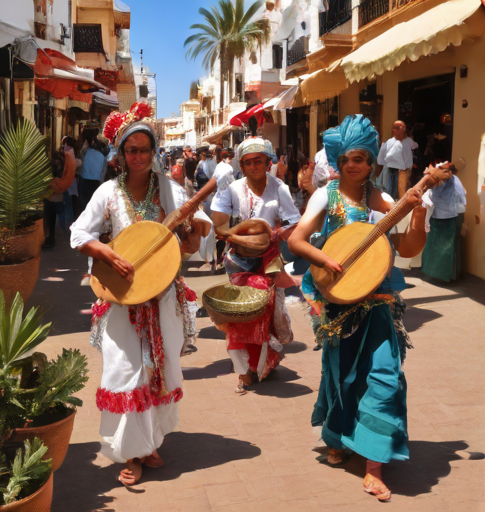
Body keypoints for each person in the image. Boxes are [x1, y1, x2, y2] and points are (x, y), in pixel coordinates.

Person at [288, 114, 445, 502]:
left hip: (379, 306)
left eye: (361, 158)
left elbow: (407, 250)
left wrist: (420, 211)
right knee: (341, 377)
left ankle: (374, 466)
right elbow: (296, 240)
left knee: (384, 378)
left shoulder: (383, 200)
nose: (354, 165)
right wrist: (324, 260)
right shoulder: (326, 195)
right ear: (338, 163)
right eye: (347, 160)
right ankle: (339, 437)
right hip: (340, 304)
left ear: (372, 161)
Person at [70, 101, 208, 486]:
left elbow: (197, 234)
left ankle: (147, 443)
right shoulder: (108, 194)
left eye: (145, 149)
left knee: (157, 370)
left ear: (154, 152)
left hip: (162, 297)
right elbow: (78, 234)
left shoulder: (169, 190)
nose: (139, 156)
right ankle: (129, 452)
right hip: (121, 301)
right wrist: (106, 251)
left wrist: (193, 232)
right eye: (131, 150)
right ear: (120, 154)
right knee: (125, 372)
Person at [211, 136, 301, 393]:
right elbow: (218, 224)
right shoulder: (233, 187)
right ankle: (244, 370)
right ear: (242, 165)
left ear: (268, 162)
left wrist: (274, 234)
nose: (254, 167)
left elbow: (294, 221)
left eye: (258, 161)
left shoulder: (279, 187)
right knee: (239, 314)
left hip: (269, 260)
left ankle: (258, 365)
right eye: (248, 162)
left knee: (265, 313)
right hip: (239, 260)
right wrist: (234, 233)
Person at [421, 169, 466, 281]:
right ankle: (447, 275)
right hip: (446, 216)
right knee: (447, 246)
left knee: (446, 247)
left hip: (449, 218)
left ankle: (445, 275)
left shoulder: (451, 181)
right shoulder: (452, 181)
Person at [43, 136, 76, 248]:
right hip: (62, 190)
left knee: (54, 217)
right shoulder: (69, 157)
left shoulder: (61, 159)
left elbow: (57, 174)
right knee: (62, 215)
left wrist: (50, 182)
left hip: (54, 193)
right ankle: (67, 236)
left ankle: (53, 238)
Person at [375, 120, 418, 200]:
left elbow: (415, 146)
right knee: (388, 194)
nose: (397, 129)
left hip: (404, 171)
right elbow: (380, 161)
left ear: (404, 128)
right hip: (389, 170)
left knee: (402, 194)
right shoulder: (388, 143)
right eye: (395, 127)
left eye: (399, 127)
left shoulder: (409, 141)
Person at [79, 133, 106, 210]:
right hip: (96, 182)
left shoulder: (85, 153)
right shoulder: (102, 156)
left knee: (84, 203)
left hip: (85, 180)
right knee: (94, 203)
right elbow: (103, 172)